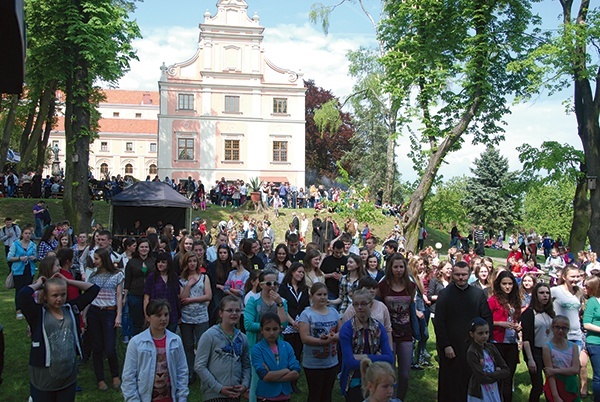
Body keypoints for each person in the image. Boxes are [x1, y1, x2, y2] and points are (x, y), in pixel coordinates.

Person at [19, 274, 99, 402]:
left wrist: (68, 281)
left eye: (63, 294)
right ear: (45, 296)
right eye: (54, 295)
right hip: (44, 378)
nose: (59, 299)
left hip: (67, 377)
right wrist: (39, 284)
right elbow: (22, 295)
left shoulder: (71, 309)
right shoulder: (37, 313)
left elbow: (94, 289)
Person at [434, 261, 493, 402]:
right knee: (450, 383)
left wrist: (483, 343)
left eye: (464, 274)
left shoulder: (478, 294)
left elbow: (487, 319)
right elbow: (439, 322)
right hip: (451, 346)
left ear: (469, 274)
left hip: (473, 345)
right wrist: (446, 345)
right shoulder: (445, 294)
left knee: (471, 381)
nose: (461, 277)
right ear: (452, 275)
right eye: (457, 274)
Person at [121, 299, 189, 402]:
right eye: (158, 315)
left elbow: (182, 371)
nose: (163, 319)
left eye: (166, 315)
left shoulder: (175, 340)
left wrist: (182, 397)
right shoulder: (136, 342)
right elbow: (129, 376)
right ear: (148, 317)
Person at [339, 288, 395, 402]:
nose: (359, 308)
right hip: (353, 379)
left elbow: (390, 358)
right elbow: (349, 363)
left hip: (377, 378)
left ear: (371, 304)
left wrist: (363, 357)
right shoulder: (347, 329)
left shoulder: (378, 327)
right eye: (356, 304)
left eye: (363, 304)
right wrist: (378, 358)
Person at [195, 295, 251, 402]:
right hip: (214, 394)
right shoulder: (209, 335)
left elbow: (246, 365)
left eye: (237, 310)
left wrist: (244, 385)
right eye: (229, 310)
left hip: (235, 393)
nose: (234, 313)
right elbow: (199, 366)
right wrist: (219, 388)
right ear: (221, 313)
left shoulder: (242, 338)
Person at [244, 269, 289, 402]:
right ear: (261, 284)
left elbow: (284, 325)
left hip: (276, 346)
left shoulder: (282, 301)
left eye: (275, 283)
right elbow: (248, 324)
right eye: (268, 283)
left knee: (275, 375)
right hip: (257, 345)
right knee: (256, 379)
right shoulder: (253, 300)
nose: (273, 286)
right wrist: (270, 329)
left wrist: (279, 303)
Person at [376, 253, 414, 400]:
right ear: (390, 268)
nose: (398, 270)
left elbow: (411, 307)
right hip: (388, 332)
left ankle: (400, 399)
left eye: (401, 266)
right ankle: (388, 398)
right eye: (395, 266)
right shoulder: (383, 286)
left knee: (404, 374)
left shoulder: (411, 286)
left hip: (406, 333)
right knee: (389, 372)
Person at [86, 247, 125, 391]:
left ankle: (115, 375)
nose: (94, 261)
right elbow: (89, 297)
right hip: (94, 312)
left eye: (97, 258)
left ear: (104, 259)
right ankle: (100, 379)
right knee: (97, 347)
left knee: (110, 348)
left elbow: (119, 296)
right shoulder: (93, 277)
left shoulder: (117, 275)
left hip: (109, 312)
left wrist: (118, 315)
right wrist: (84, 314)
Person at [298, 282, 341, 402]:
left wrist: (334, 337)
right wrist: (320, 341)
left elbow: (341, 332)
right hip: (313, 363)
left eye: (325, 294)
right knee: (315, 394)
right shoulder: (307, 314)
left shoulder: (334, 312)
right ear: (311, 296)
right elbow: (304, 337)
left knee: (327, 394)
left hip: (331, 361)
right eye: (319, 294)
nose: (322, 297)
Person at [552, 264, 589, 397]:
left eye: (577, 276)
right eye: (572, 276)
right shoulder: (555, 291)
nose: (575, 279)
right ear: (564, 276)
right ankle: (559, 391)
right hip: (560, 334)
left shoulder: (579, 291)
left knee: (578, 363)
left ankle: (579, 390)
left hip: (576, 333)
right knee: (561, 364)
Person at [487, 271, 521, 402]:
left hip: (511, 342)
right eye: (504, 284)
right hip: (497, 341)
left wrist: (517, 326)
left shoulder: (515, 300)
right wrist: (500, 323)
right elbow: (485, 320)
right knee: (498, 376)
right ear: (499, 284)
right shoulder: (493, 300)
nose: (507, 287)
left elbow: (515, 318)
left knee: (508, 376)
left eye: (510, 284)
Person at [179, 251, 212, 385]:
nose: (192, 264)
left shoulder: (204, 278)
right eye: (189, 261)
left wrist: (192, 300)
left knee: (203, 344)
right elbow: (182, 298)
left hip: (201, 316)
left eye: (194, 261)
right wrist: (189, 285)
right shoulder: (181, 280)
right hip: (186, 317)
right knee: (188, 345)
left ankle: (204, 372)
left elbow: (208, 296)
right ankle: (190, 372)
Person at [252, 312, 301, 402]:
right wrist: (286, 370)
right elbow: (265, 376)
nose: (271, 333)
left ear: (280, 329)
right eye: (267, 329)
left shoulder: (287, 346)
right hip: (266, 396)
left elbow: (296, 372)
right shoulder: (257, 349)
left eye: (275, 329)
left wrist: (271, 375)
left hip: (285, 396)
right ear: (261, 330)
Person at [278, 262, 310, 393]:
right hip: (288, 324)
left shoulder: (304, 289)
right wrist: (292, 322)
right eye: (299, 272)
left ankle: (293, 382)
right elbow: (282, 307)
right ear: (292, 272)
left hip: (300, 324)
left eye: (303, 272)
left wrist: (302, 322)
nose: (301, 275)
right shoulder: (284, 288)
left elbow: (306, 306)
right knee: (286, 352)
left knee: (297, 353)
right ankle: (284, 380)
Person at [522, 283, 555, 402]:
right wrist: (530, 359)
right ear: (536, 295)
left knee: (552, 383)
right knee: (538, 385)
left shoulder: (551, 313)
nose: (545, 296)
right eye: (541, 293)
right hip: (535, 352)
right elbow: (526, 339)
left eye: (547, 293)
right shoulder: (529, 313)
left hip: (550, 352)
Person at [466, 317, 510, 402]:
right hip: (479, 392)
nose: (484, 336)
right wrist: (498, 374)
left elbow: (506, 370)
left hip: (494, 388)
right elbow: (481, 377)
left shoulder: (491, 347)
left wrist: (491, 374)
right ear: (472, 334)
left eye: (487, 332)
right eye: (480, 333)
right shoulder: (472, 351)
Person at [542, 315, 581, 402]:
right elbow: (549, 374)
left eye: (564, 328)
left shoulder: (573, 346)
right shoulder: (547, 348)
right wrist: (555, 396)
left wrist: (555, 370)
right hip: (556, 385)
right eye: (557, 327)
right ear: (552, 328)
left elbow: (575, 369)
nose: (560, 330)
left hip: (571, 384)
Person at [124, 238, 155, 336]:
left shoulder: (154, 261)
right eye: (142, 247)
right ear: (138, 248)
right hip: (135, 295)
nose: (144, 249)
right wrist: (124, 297)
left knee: (151, 320)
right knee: (136, 321)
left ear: (149, 249)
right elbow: (127, 281)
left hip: (151, 295)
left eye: (146, 247)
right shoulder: (131, 262)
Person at [144, 251, 181, 333]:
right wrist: (147, 314)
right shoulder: (152, 277)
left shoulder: (174, 276)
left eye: (163, 262)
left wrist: (179, 314)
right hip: (156, 313)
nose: (160, 264)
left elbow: (177, 296)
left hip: (172, 313)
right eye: (158, 262)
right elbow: (146, 297)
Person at [7, 224, 37, 319]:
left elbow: (36, 256)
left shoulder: (33, 245)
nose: (28, 235)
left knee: (28, 289)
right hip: (18, 270)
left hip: (29, 270)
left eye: (29, 233)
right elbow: (9, 257)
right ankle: (18, 309)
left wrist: (34, 257)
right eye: (26, 233)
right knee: (19, 290)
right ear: (22, 234)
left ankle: (27, 308)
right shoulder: (16, 244)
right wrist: (19, 258)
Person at [583, 275, 600, 402]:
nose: (585, 289)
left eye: (587, 287)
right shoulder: (592, 302)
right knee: (599, 375)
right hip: (595, 342)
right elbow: (586, 324)